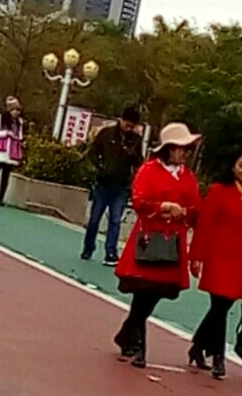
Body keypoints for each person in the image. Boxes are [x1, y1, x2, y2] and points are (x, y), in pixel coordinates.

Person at [113, 122, 202, 369]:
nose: (186, 153)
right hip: (149, 239)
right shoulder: (149, 170)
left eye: (188, 149)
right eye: (182, 148)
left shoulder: (188, 177)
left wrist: (184, 212)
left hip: (172, 243)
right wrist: (163, 207)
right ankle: (139, 346)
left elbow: (196, 208)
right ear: (169, 148)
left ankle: (126, 334)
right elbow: (139, 201)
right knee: (143, 293)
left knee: (152, 296)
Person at [188, 150, 242, 380]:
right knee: (219, 307)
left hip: (239, 261)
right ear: (232, 166)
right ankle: (218, 356)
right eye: (241, 165)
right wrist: (196, 256)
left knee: (221, 308)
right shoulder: (219, 191)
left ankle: (198, 345)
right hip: (218, 257)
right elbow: (205, 225)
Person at [82, 105, 144, 265]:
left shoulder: (136, 140)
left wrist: (132, 154)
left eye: (132, 126)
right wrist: (99, 168)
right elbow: (92, 152)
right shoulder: (106, 133)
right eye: (127, 125)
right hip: (103, 183)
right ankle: (88, 247)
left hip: (121, 185)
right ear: (121, 120)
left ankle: (111, 253)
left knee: (115, 220)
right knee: (95, 218)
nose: (129, 128)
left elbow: (139, 161)